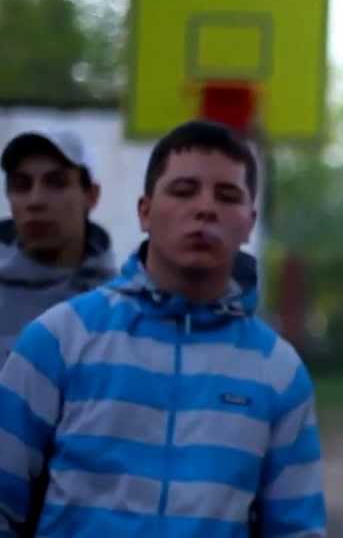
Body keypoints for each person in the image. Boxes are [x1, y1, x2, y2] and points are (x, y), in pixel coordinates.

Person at [0, 120, 325, 537]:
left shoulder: (279, 371)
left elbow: (296, 528)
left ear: (248, 223)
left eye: (227, 196)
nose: (205, 208)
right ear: (145, 212)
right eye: (184, 191)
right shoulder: (60, 339)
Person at [1, 130, 116, 365]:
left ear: (91, 195)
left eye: (56, 182)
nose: (35, 200)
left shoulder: (123, 303)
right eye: (21, 185)